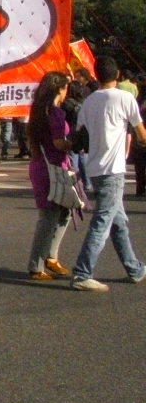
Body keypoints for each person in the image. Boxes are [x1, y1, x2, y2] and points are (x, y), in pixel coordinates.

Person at [69, 57, 146, 292]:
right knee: (103, 221)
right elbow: (141, 134)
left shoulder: (89, 101)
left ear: (96, 76)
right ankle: (82, 272)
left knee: (118, 221)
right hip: (113, 168)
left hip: (95, 168)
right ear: (118, 74)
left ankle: (134, 268)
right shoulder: (125, 97)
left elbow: (80, 135)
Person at [26, 72, 74, 281]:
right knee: (50, 216)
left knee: (64, 211)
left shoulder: (38, 111)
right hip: (52, 167)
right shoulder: (55, 114)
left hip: (42, 165)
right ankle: (37, 263)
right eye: (66, 88)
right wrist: (75, 142)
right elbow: (58, 143)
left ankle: (50, 256)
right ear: (60, 89)